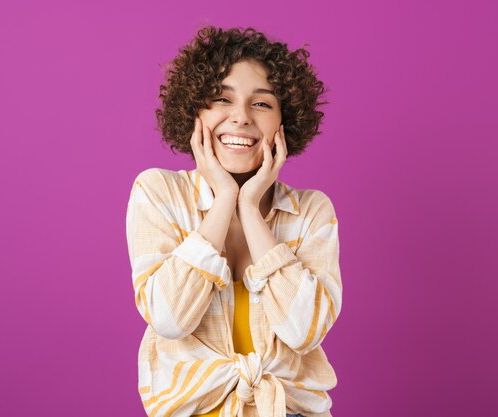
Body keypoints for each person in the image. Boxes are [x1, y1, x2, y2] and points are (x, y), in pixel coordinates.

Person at [126, 26, 343, 417]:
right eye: (222, 99)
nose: (240, 117)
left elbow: (304, 331)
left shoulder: (312, 211)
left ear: (284, 121)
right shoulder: (157, 192)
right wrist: (225, 198)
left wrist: (250, 208)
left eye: (261, 104)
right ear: (195, 112)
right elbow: (169, 319)